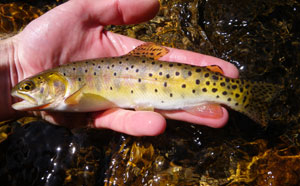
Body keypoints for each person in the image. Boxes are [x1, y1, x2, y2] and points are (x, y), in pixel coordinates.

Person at [0, 0, 239, 136]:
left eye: (29, 86)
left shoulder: (68, 89)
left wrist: (14, 61)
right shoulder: (62, 93)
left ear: (54, 82)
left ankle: (237, 95)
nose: (20, 91)